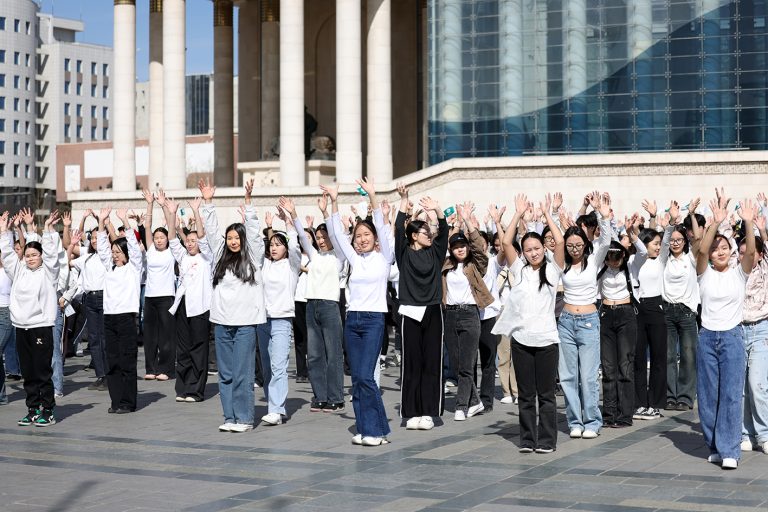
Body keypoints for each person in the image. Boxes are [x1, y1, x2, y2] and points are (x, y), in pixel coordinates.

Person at [320, 178, 394, 446]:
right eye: (358, 236)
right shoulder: (353, 258)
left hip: (374, 320)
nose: (361, 239)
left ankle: (375, 430)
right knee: (358, 378)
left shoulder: (383, 257)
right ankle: (368, 428)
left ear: (375, 239)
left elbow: (384, 228)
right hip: (353, 320)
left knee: (365, 376)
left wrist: (373, 196)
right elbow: (337, 235)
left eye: (367, 235)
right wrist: (334, 200)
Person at [493, 193, 564, 453]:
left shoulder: (553, 269)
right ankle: (527, 439)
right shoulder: (519, 271)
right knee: (526, 395)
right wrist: (517, 214)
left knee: (546, 396)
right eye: (528, 250)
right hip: (522, 341)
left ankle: (546, 441)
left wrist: (547, 215)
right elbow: (506, 241)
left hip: (546, 341)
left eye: (537, 248)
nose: (533, 253)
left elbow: (559, 241)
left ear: (543, 249)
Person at [694, 195, 757, 470]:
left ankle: (730, 448)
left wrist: (748, 222)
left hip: (732, 337)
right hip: (707, 336)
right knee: (708, 396)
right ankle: (715, 446)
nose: (719, 251)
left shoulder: (739, 274)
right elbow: (700, 251)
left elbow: (752, 253)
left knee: (732, 394)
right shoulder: (703, 273)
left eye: (725, 247)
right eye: (716, 248)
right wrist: (715, 224)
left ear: (732, 251)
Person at [200, 179, 265, 433]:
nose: (232, 241)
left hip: (245, 325)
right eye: (230, 238)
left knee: (242, 375)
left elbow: (255, 234)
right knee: (225, 376)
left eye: (237, 237)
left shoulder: (253, 258)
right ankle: (229, 417)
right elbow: (212, 230)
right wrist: (208, 202)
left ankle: (245, 418)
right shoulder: (219, 257)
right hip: (222, 325)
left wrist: (248, 203)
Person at [394, 183, 449, 430]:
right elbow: (397, 229)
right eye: (425, 231)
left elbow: (444, 232)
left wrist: (438, 211)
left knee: (432, 361)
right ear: (414, 235)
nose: (429, 234)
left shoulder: (436, 252)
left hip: (433, 310)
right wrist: (404, 201)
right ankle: (411, 412)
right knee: (412, 362)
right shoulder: (404, 252)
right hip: (409, 311)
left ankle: (429, 411)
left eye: (429, 231)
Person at [558, 191, 611, 439]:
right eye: (571, 246)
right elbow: (561, 234)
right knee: (568, 376)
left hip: (589, 321)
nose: (575, 248)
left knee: (588, 376)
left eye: (579, 244)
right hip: (566, 322)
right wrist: (555, 215)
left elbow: (607, 238)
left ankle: (591, 421)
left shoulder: (594, 260)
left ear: (585, 244)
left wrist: (601, 212)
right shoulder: (563, 264)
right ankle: (574, 421)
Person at [0, 210, 61, 426]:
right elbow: (7, 256)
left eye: (34, 255)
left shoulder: (48, 273)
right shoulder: (19, 271)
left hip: (41, 327)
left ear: (41, 256)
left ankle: (48, 410)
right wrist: (4, 231)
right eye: (28, 255)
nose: (31, 258)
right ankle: (33, 409)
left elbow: (53, 257)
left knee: (42, 370)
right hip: (21, 327)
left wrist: (47, 230)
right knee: (28, 372)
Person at [292, 192, 346, 413]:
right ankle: (320, 396)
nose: (322, 240)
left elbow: (337, 233)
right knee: (314, 354)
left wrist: (328, 209)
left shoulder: (340, 257)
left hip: (330, 307)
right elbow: (303, 237)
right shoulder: (314, 255)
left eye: (325, 237)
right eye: (320, 237)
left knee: (333, 353)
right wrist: (293, 214)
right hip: (311, 306)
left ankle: (336, 397)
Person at [442, 201, 493, 421]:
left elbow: (480, 250)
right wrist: (447, 223)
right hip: (450, 314)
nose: (460, 249)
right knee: (456, 362)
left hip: (470, 315)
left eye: (463, 245)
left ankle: (462, 405)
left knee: (467, 363)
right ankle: (475, 401)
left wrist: (467, 223)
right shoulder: (445, 265)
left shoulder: (474, 265)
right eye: (456, 246)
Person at [162, 196, 213, 403]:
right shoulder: (183, 257)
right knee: (182, 349)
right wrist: (171, 212)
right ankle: (182, 388)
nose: (191, 244)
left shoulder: (207, 257)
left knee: (198, 349)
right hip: (182, 306)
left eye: (194, 241)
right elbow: (173, 239)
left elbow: (201, 236)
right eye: (189, 241)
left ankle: (195, 390)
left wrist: (197, 212)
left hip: (200, 308)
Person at [256, 200, 301, 426]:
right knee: (266, 366)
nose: (273, 248)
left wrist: (289, 221)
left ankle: (277, 408)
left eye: (278, 245)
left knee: (278, 365)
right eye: (271, 244)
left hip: (282, 320)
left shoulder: (292, 266)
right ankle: (273, 406)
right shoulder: (265, 265)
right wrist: (270, 228)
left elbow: (294, 247)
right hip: (263, 321)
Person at [630, 200, 675, 420]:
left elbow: (667, 241)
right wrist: (633, 231)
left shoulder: (661, 261)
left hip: (657, 307)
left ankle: (655, 403)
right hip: (638, 309)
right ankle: (640, 403)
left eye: (659, 243)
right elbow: (638, 246)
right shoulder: (634, 260)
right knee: (638, 358)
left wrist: (670, 222)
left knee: (658, 357)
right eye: (653, 243)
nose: (657, 246)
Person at [96, 208, 143, 414]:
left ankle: (127, 402)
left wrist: (124, 220)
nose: (114, 256)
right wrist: (101, 222)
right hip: (109, 318)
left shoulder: (134, 268)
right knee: (112, 361)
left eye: (118, 252)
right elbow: (102, 250)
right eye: (113, 252)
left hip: (127, 318)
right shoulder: (110, 269)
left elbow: (133, 247)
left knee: (127, 361)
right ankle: (116, 401)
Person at [598, 213, 643, 428]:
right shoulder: (600, 269)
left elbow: (643, 251)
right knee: (608, 368)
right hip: (606, 314)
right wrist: (603, 219)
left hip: (626, 314)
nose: (613, 260)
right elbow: (601, 243)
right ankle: (609, 414)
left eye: (617, 256)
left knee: (625, 366)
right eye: (610, 256)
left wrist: (632, 235)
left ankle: (625, 415)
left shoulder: (631, 265)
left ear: (624, 256)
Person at [663, 199, 701, 412]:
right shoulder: (664, 260)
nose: (675, 243)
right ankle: (670, 395)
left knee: (688, 355)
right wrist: (671, 220)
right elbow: (664, 237)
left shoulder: (691, 258)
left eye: (679, 239)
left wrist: (692, 215)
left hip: (686, 312)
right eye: (673, 240)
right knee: (668, 355)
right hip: (667, 310)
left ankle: (686, 397)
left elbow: (698, 239)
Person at [740, 203, 768, 455]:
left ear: (759, 254)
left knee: (757, 385)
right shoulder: (735, 273)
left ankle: (764, 434)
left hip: (761, 330)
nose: (744, 255)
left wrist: (760, 229)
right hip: (738, 331)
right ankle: (744, 433)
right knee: (741, 389)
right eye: (741, 252)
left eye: (749, 251)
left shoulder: (764, 270)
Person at [140, 189, 177, 381]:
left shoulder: (171, 251)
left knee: (166, 336)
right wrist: (150, 204)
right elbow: (147, 225)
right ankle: (151, 368)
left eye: (162, 237)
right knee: (150, 336)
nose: (159, 240)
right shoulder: (151, 250)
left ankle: (166, 369)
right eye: (156, 237)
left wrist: (164, 206)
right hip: (150, 297)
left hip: (166, 297)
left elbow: (171, 226)